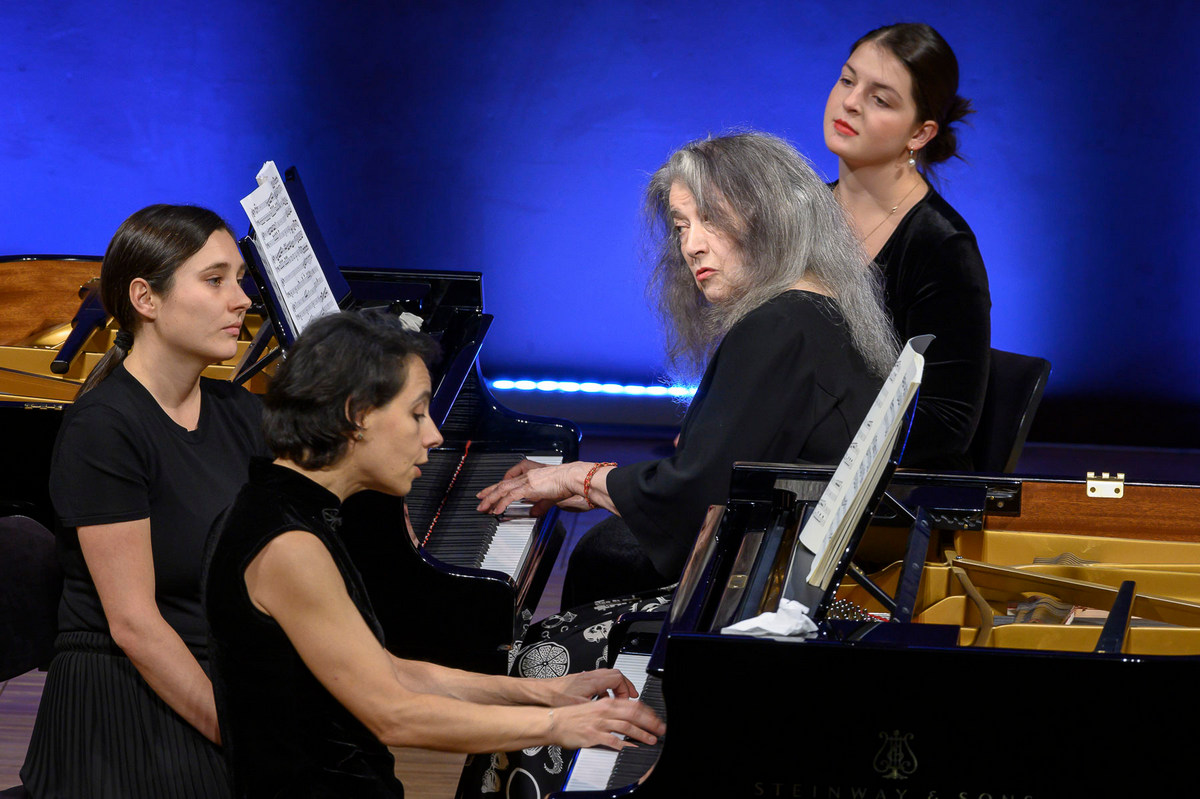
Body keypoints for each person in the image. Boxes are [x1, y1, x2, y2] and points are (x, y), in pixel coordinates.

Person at [203, 310, 665, 798]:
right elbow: (393, 714)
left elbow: (392, 669)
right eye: (417, 413)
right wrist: (557, 725)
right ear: (356, 416)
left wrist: (542, 692)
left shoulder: (290, 508)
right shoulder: (287, 546)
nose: (434, 436)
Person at [477, 131, 898, 609]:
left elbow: (700, 498)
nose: (692, 245)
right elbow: (720, 470)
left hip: (772, 589)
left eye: (711, 219)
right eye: (681, 226)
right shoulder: (817, 309)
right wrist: (605, 486)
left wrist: (580, 478)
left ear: (773, 216)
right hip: (800, 553)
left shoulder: (779, 326)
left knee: (602, 558)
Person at [20, 205, 264, 797]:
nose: (242, 300)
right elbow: (134, 625)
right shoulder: (104, 428)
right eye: (215, 280)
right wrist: (251, 739)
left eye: (240, 279)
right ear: (145, 299)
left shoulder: (242, 413)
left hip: (215, 670)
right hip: (122, 694)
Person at [824, 22, 992, 470]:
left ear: (919, 134)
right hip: (781, 472)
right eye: (847, 79)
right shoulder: (799, 214)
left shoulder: (941, 246)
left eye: (880, 99)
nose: (850, 102)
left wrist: (795, 436)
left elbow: (947, 421)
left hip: (877, 493)